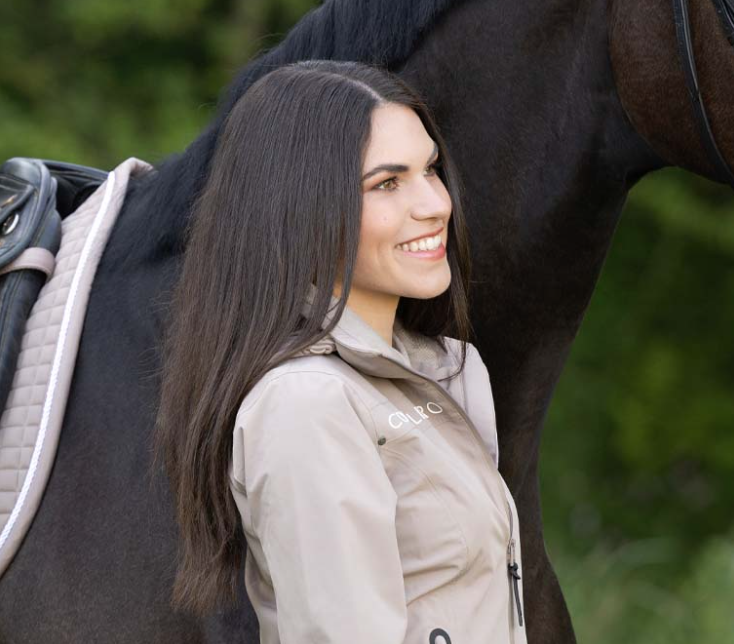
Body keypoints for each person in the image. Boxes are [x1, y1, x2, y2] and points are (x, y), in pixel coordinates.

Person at [153, 60, 526, 644]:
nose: (434, 204)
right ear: (303, 208)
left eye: (430, 170)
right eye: (387, 183)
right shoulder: (308, 405)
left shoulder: (437, 370)